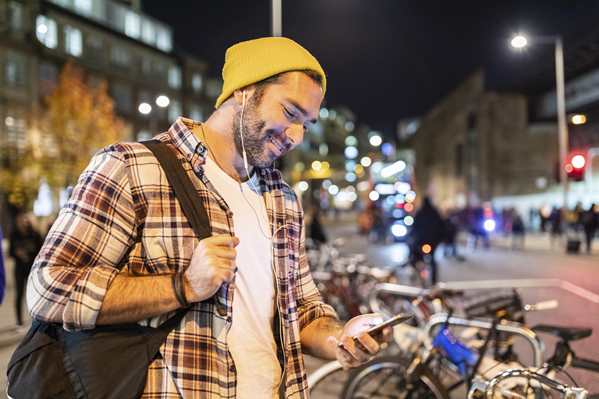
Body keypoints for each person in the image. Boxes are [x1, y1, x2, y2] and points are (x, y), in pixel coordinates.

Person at [27, 37, 389, 398]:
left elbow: (304, 310)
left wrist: (339, 338)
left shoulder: (283, 199)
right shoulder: (132, 167)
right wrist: (183, 286)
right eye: (290, 113)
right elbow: (50, 288)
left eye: (306, 125)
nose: (295, 136)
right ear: (245, 92)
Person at [9, 213, 43, 326]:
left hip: (32, 269)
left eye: (26, 220)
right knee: (19, 294)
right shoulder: (14, 235)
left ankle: (37, 320)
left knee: (34, 294)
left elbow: (42, 251)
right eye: (21, 220)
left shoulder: (35, 234)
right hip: (19, 269)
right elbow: (10, 252)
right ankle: (19, 321)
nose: (24, 222)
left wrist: (30, 255)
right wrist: (17, 254)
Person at [411, 196, 445, 284]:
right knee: (433, 260)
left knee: (417, 259)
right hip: (432, 242)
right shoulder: (435, 212)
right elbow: (441, 226)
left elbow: (414, 227)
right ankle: (434, 281)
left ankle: (418, 276)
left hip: (422, 242)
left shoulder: (420, 213)